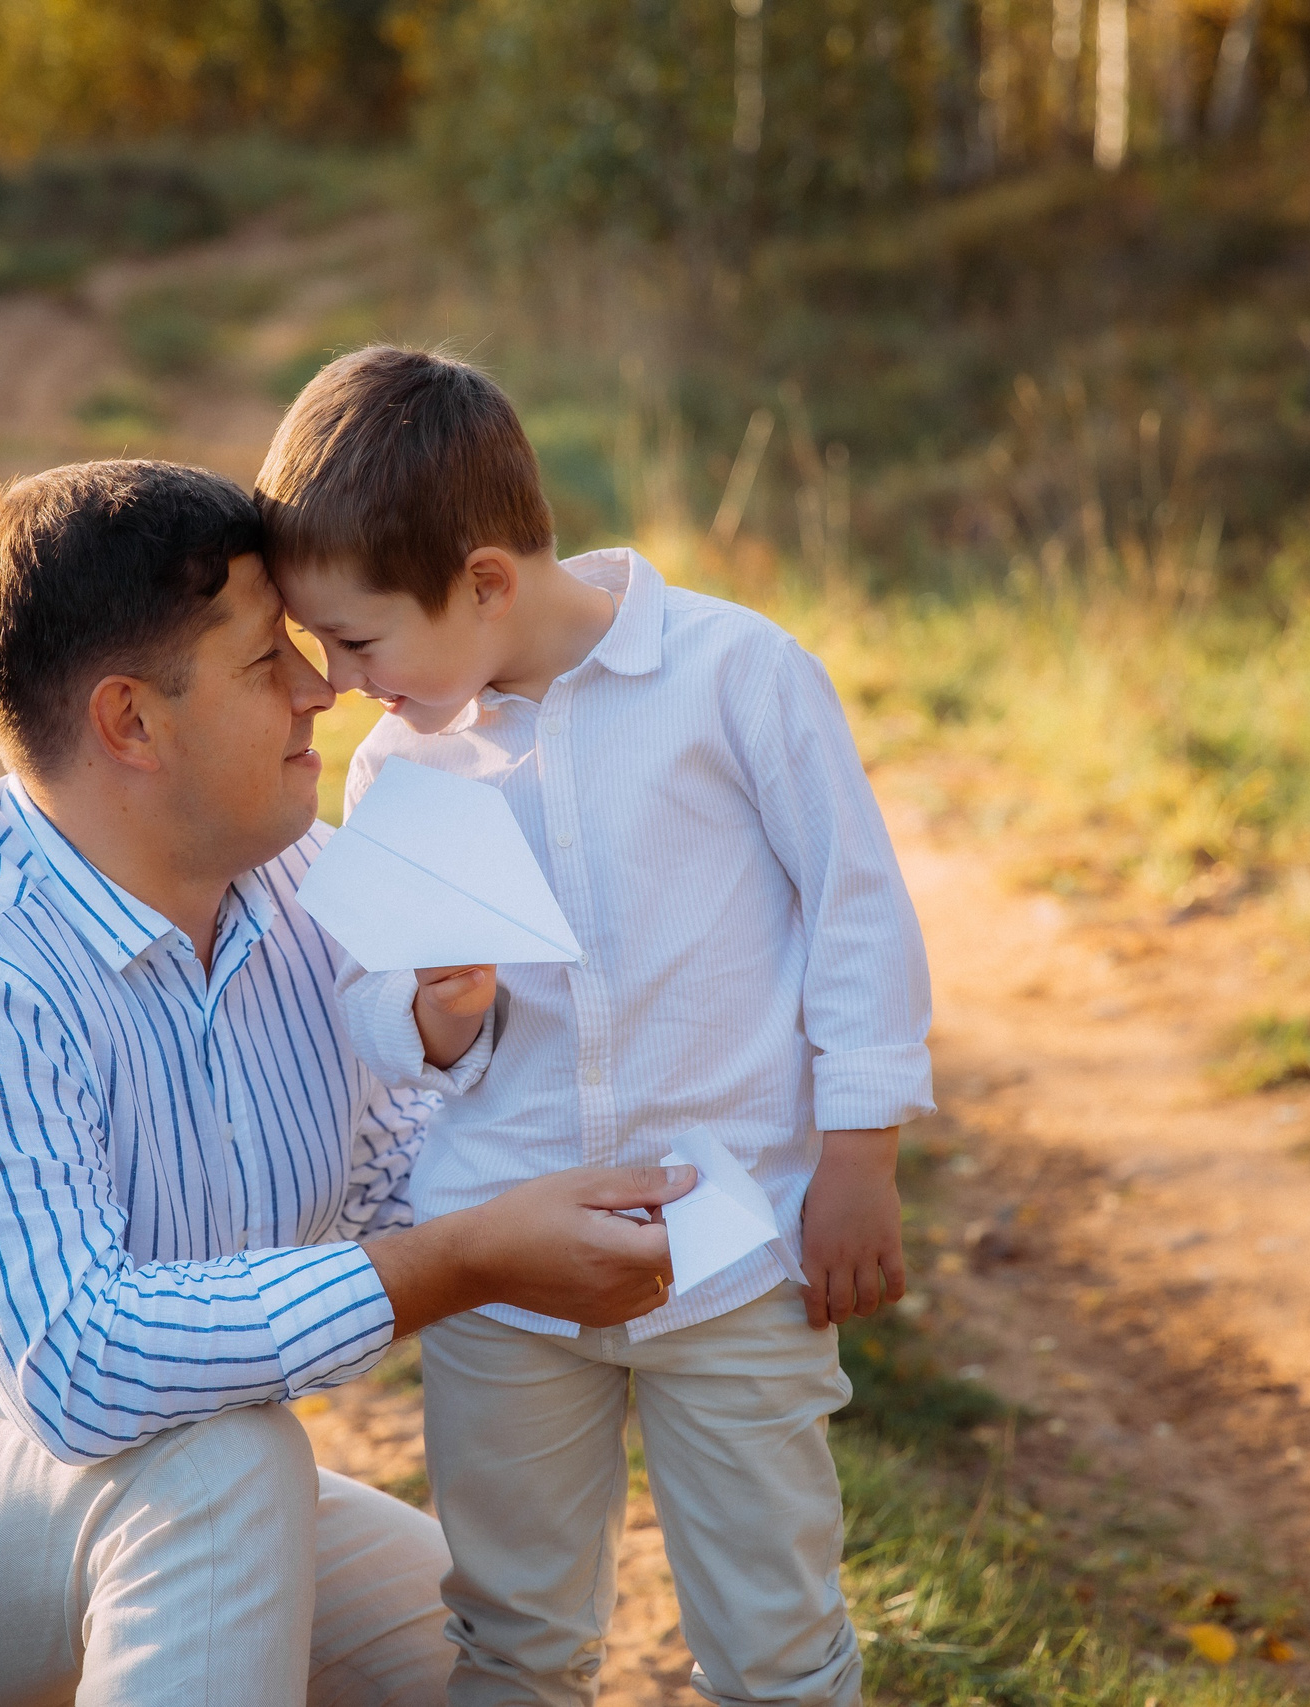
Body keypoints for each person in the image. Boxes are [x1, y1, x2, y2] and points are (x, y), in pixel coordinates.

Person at [0, 458, 698, 1707]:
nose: (323, 689)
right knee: (228, 1467)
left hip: (112, 1487)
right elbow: (83, 1372)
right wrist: (465, 1263)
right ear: (130, 722)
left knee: (486, 1645)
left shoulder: (308, 886)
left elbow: (396, 1172)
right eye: (267, 663)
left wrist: (646, 1195)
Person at [257, 346, 935, 1707]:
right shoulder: (402, 759)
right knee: (510, 1630)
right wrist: (439, 1015)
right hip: (507, 1272)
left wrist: (860, 1155)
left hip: (734, 1248)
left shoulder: (735, 676)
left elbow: (857, 913)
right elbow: (387, 1020)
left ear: (489, 581)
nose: (337, 679)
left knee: (776, 1630)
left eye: (359, 637)